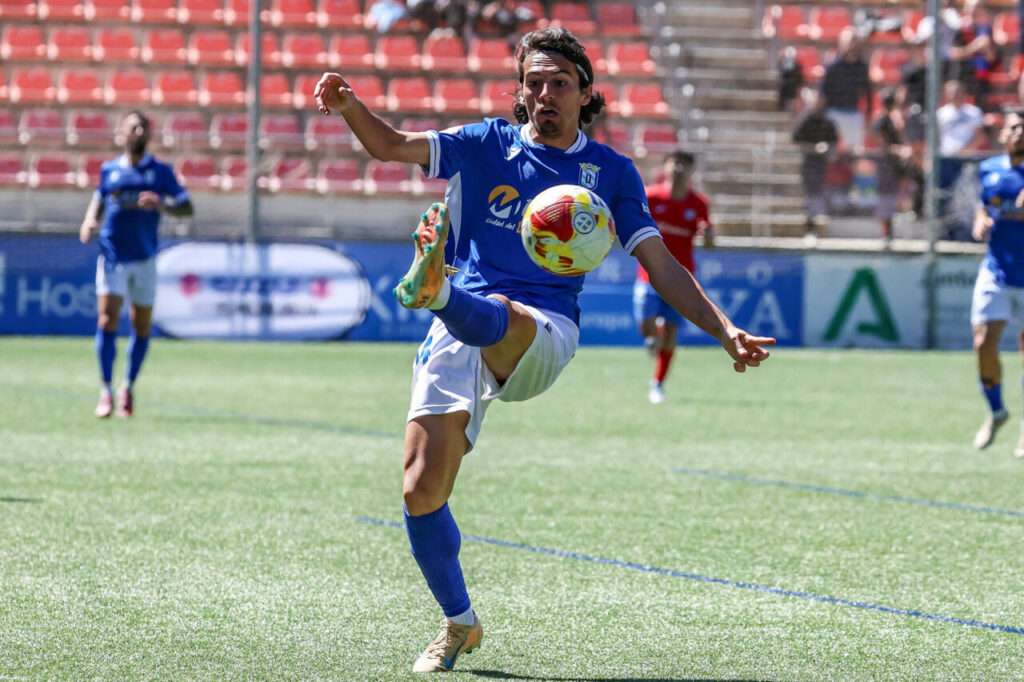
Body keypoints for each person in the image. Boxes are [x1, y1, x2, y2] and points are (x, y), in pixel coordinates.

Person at [313, 27, 775, 673]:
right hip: (457, 331)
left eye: (560, 82)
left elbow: (661, 263)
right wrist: (348, 106)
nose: (545, 93)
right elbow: (390, 146)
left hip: (544, 330)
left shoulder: (611, 172)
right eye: (534, 82)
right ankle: (460, 624)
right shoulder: (483, 145)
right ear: (520, 92)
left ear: (586, 93)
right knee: (420, 491)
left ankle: (437, 288)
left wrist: (723, 328)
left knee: (499, 313)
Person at [79, 111, 193, 418]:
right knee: (107, 321)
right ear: (122, 133)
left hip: (144, 259)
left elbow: (187, 207)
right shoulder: (110, 170)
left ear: (149, 134)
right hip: (113, 256)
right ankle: (105, 390)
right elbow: (99, 199)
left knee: (141, 325)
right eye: (133, 127)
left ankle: (127, 387)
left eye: (143, 127)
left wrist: (162, 205)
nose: (138, 131)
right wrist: (90, 220)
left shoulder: (161, 172)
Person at [634, 150, 714, 404]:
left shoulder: (699, 202)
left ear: (691, 171)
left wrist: (708, 234)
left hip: (681, 278)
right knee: (646, 324)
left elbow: (709, 241)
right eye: (674, 163)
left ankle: (658, 383)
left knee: (671, 331)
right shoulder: (650, 196)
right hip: (649, 274)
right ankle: (651, 336)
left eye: (684, 165)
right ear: (665, 167)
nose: (679, 168)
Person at [969, 109, 1024, 457]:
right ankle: (997, 410)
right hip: (997, 269)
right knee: (983, 342)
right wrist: (980, 221)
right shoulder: (989, 169)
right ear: (1002, 135)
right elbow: (983, 207)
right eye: (1014, 127)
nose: (1020, 132)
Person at [873, 87, 923, 242]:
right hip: (887, 164)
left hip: (896, 164)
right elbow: (883, 145)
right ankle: (886, 234)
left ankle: (916, 211)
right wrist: (900, 150)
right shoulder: (881, 121)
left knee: (919, 179)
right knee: (887, 198)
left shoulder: (894, 119)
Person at [792, 89, 839, 235]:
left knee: (823, 194)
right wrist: (814, 148)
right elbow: (796, 140)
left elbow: (834, 141)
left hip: (824, 165)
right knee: (810, 195)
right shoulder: (805, 120)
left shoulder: (828, 121)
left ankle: (821, 225)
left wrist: (828, 149)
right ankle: (810, 229)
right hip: (809, 162)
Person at [821, 27, 872, 151]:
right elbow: (824, 91)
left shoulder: (862, 67)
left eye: (854, 41)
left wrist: (868, 115)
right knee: (830, 149)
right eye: (849, 41)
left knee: (854, 151)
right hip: (833, 112)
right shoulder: (833, 67)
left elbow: (867, 92)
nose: (851, 45)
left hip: (852, 113)